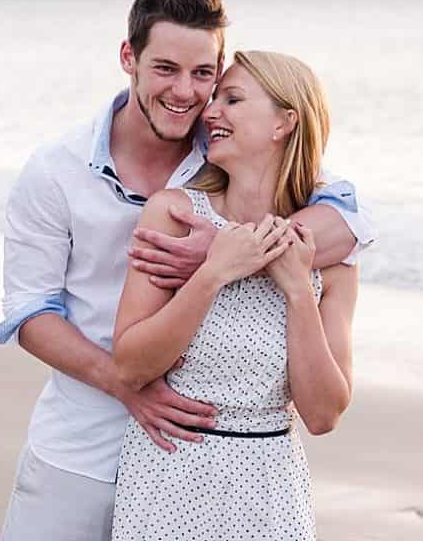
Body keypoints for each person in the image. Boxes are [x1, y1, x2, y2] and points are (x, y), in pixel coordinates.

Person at [0, 0, 375, 541]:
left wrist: (237, 246)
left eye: (205, 75)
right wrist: (125, 384)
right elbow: (29, 313)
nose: (187, 94)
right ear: (130, 58)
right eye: (166, 69)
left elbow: (351, 223)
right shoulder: (55, 171)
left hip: (220, 469)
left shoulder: (227, 147)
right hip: (84, 448)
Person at [110, 50, 357, 540]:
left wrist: (296, 291)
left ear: (284, 122)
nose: (210, 111)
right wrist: (211, 273)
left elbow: (324, 414)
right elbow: (131, 366)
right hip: (167, 479)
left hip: (270, 493)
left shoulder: (329, 249)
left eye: (233, 99)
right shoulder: (174, 215)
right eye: (215, 98)